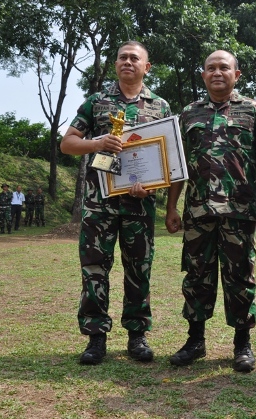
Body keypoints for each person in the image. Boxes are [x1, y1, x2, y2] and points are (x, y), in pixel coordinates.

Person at [165, 50, 256, 373]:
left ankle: (242, 344)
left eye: (224, 67)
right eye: (211, 68)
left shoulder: (253, 111)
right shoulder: (188, 113)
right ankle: (195, 341)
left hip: (239, 211)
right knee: (196, 276)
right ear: (203, 75)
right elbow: (178, 166)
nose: (217, 72)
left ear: (236, 74)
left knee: (240, 277)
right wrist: (172, 206)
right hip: (198, 211)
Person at [60, 40, 172, 365]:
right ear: (115, 64)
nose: (128, 62)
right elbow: (68, 143)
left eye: (134, 58)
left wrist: (152, 186)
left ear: (146, 67)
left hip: (140, 202)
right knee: (95, 267)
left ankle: (137, 335)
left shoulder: (160, 107)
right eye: (122, 57)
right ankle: (96, 338)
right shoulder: (97, 102)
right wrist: (97, 142)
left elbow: (167, 157)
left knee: (139, 268)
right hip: (100, 201)